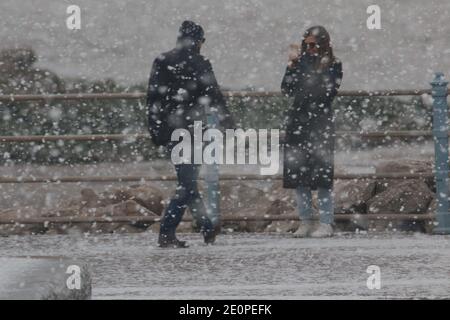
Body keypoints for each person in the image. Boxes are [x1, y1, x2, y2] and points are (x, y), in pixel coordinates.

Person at [146, 20, 235, 248]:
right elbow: (214, 96)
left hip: (171, 130)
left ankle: (207, 227)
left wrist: (156, 129)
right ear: (198, 41)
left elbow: (153, 98)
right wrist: (229, 124)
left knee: (188, 183)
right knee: (187, 185)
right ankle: (167, 231)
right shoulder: (200, 63)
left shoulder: (163, 60)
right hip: (194, 130)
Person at [281, 26, 343, 238]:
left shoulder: (334, 65)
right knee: (300, 177)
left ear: (324, 44)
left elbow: (327, 92)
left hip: (320, 124)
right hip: (298, 123)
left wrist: (307, 70)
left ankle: (326, 222)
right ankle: (305, 221)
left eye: (314, 44)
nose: (310, 48)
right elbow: (287, 89)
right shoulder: (299, 63)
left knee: (323, 176)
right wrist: (291, 65)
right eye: (306, 45)